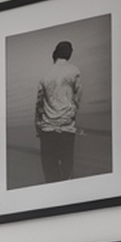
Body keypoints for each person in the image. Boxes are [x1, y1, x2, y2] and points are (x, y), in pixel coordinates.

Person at [34, 40, 82, 183]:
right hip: (67, 128)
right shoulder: (74, 71)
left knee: (50, 172)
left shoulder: (45, 75)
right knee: (67, 170)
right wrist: (71, 114)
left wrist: (38, 127)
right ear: (69, 54)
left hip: (48, 129)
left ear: (54, 54)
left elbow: (39, 105)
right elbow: (77, 98)